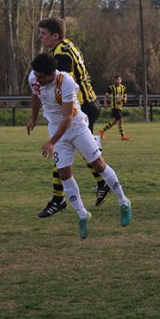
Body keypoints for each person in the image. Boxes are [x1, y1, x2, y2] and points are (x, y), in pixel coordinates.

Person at [26, 53, 131, 239]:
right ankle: (82, 215)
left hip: (76, 126)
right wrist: (33, 118)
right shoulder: (35, 78)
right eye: (36, 75)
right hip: (55, 130)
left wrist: (52, 142)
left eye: (41, 77)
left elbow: (67, 117)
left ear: (52, 74)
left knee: (98, 164)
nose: (37, 80)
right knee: (64, 173)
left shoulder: (65, 81)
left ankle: (123, 201)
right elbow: (35, 95)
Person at [36, 17, 111, 217]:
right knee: (79, 154)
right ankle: (100, 183)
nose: (40, 37)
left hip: (81, 108)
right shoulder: (68, 46)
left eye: (43, 34)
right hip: (89, 102)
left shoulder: (61, 55)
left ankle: (60, 199)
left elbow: (63, 82)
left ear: (55, 35)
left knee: (61, 154)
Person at [99, 75, 130, 141]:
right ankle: (123, 136)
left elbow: (125, 96)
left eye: (118, 79)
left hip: (120, 107)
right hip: (114, 107)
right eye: (116, 80)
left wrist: (124, 100)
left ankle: (103, 130)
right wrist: (105, 103)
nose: (117, 81)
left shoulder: (123, 88)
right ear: (114, 81)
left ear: (121, 80)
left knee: (114, 122)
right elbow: (106, 96)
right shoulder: (111, 88)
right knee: (120, 120)